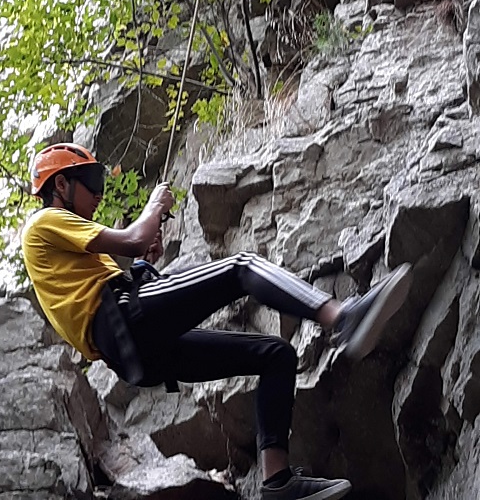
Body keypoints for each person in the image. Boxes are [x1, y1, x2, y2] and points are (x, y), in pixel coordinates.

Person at [22, 143, 413, 500]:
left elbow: (121, 269)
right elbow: (132, 240)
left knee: (275, 355)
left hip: (131, 350)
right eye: (91, 183)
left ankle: (277, 483)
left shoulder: (66, 250)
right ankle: (342, 317)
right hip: (124, 320)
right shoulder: (45, 222)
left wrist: (146, 263)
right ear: (60, 185)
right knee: (242, 267)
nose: (98, 194)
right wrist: (155, 206)